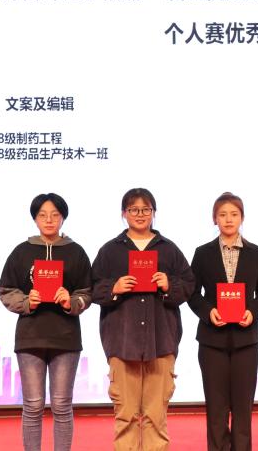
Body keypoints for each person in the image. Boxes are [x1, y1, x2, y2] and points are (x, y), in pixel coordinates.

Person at [90, 188, 195, 451]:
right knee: (125, 416)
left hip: (161, 343)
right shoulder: (110, 251)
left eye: (146, 209)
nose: (140, 214)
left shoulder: (168, 249)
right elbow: (91, 288)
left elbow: (189, 285)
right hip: (122, 344)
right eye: (133, 209)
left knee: (156, 417)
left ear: (154, 213)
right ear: (123, 213)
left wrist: (168, 284)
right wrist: (114, 288)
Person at [0, 192, 93, 451]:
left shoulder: (76, 252)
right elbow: (5, 290)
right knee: (33, 405)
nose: (49, 220)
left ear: (63, 218)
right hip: (30, 337)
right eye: (42, 215)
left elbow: (87, 292)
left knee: (62, 405)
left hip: (66, 338)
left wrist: (70, 301)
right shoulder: (21, 252)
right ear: (35, 219)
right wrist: (27, 301)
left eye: (55, 215)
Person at [188, 192, 258, 451]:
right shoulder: (203, 253)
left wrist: (252, 312)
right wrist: (208, 311)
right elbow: (192, 293)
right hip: (212, 341)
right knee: (216, 409)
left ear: (242, 218)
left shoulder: (257, 253)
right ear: (214, 219)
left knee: (243, 409)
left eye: (234, 214)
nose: (228, 219)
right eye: (222, 214)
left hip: (246, 341)